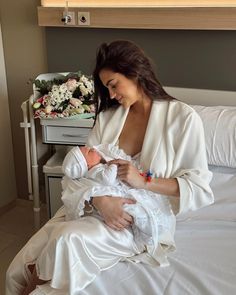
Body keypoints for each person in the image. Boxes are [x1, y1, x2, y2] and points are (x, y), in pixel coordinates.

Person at [6, 40, 214, 295]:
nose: (112, 95)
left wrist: (143, 181)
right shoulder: (108, 118)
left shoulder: (183, 119)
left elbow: (198, 187)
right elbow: (78, 171)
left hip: (135, 220)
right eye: (107, 88)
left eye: (114, 85)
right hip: (92, 204)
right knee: (23, 261)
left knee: (66, 241)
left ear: (135, 72)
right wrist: (101, 201)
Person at [61, 144, 176, 265]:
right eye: (89, 152)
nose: (93, 148)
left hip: (125, 197)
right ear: (87, 165)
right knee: (135, 212)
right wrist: (113, 167)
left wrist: (142, 180)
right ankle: (147, 236)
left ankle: (149, 233)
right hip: (112, 203)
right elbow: (106, 179)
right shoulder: (96, 170)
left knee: (68, 239)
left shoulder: (98, 162)